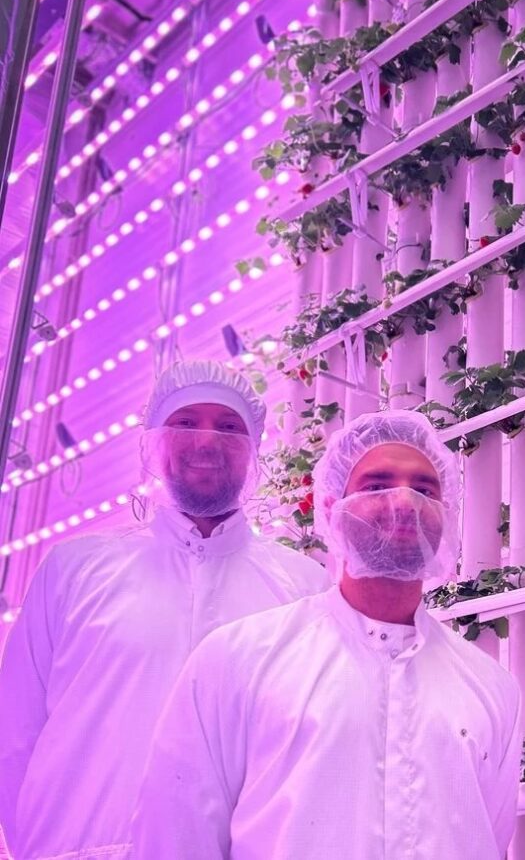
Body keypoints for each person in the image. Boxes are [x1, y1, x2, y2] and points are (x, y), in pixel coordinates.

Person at [131, 409, 522, 859]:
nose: (403, 504)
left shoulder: (490, 688)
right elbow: (177, 836)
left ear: (446, 514)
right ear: (333, 508)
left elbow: (489, 836)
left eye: (424, 489)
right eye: (377, 486)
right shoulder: (240, 659)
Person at [0, 360, 330, 860]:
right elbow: (14, 734)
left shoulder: (303, 588)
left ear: (254, 450)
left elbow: (314, 750)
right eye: (185, 421)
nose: (206, 441)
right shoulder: (75, 569)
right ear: (154, 440)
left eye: (228, 426)